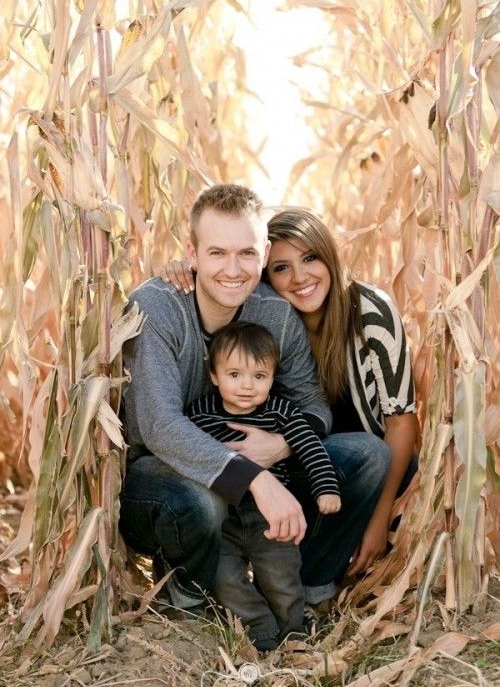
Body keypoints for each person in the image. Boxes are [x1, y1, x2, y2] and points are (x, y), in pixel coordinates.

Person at [121, 184, 383, 618]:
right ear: (192, 252)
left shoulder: (274, 313)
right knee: (202, 500)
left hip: (259, 459)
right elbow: (159, 427)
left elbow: (313, 406)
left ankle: (303, 586)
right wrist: (256, 480)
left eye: (246, 253)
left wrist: (282, 446)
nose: (233, 269)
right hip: (161, 476)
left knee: (368, 455)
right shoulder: (158, 309)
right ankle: (192, 599)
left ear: (263, 254)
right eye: (217, 253)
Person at [163, 207, 417, 583]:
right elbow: (222, 279)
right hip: (286, 468)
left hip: (353, 468)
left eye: (311, 258)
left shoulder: (368, 312)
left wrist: (378, 524)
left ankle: (314, 579)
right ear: (266, 273)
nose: (300, 278)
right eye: (281, 268)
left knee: (375, 457)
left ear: (329, 256)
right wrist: (183, 269)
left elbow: (401, 423)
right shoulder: (270, 318)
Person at [187, 321, 341, 649]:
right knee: (225, 578)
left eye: (259, 376)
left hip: (270, 518)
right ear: (214, 376)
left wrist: (326, 487)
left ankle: (294, 628)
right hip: (224, 517)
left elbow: (310, 446)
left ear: (272, 378)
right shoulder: (198, 415)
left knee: (281, 576)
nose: (247, 386)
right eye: (234, 375)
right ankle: (260, 629)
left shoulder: (280, 413)